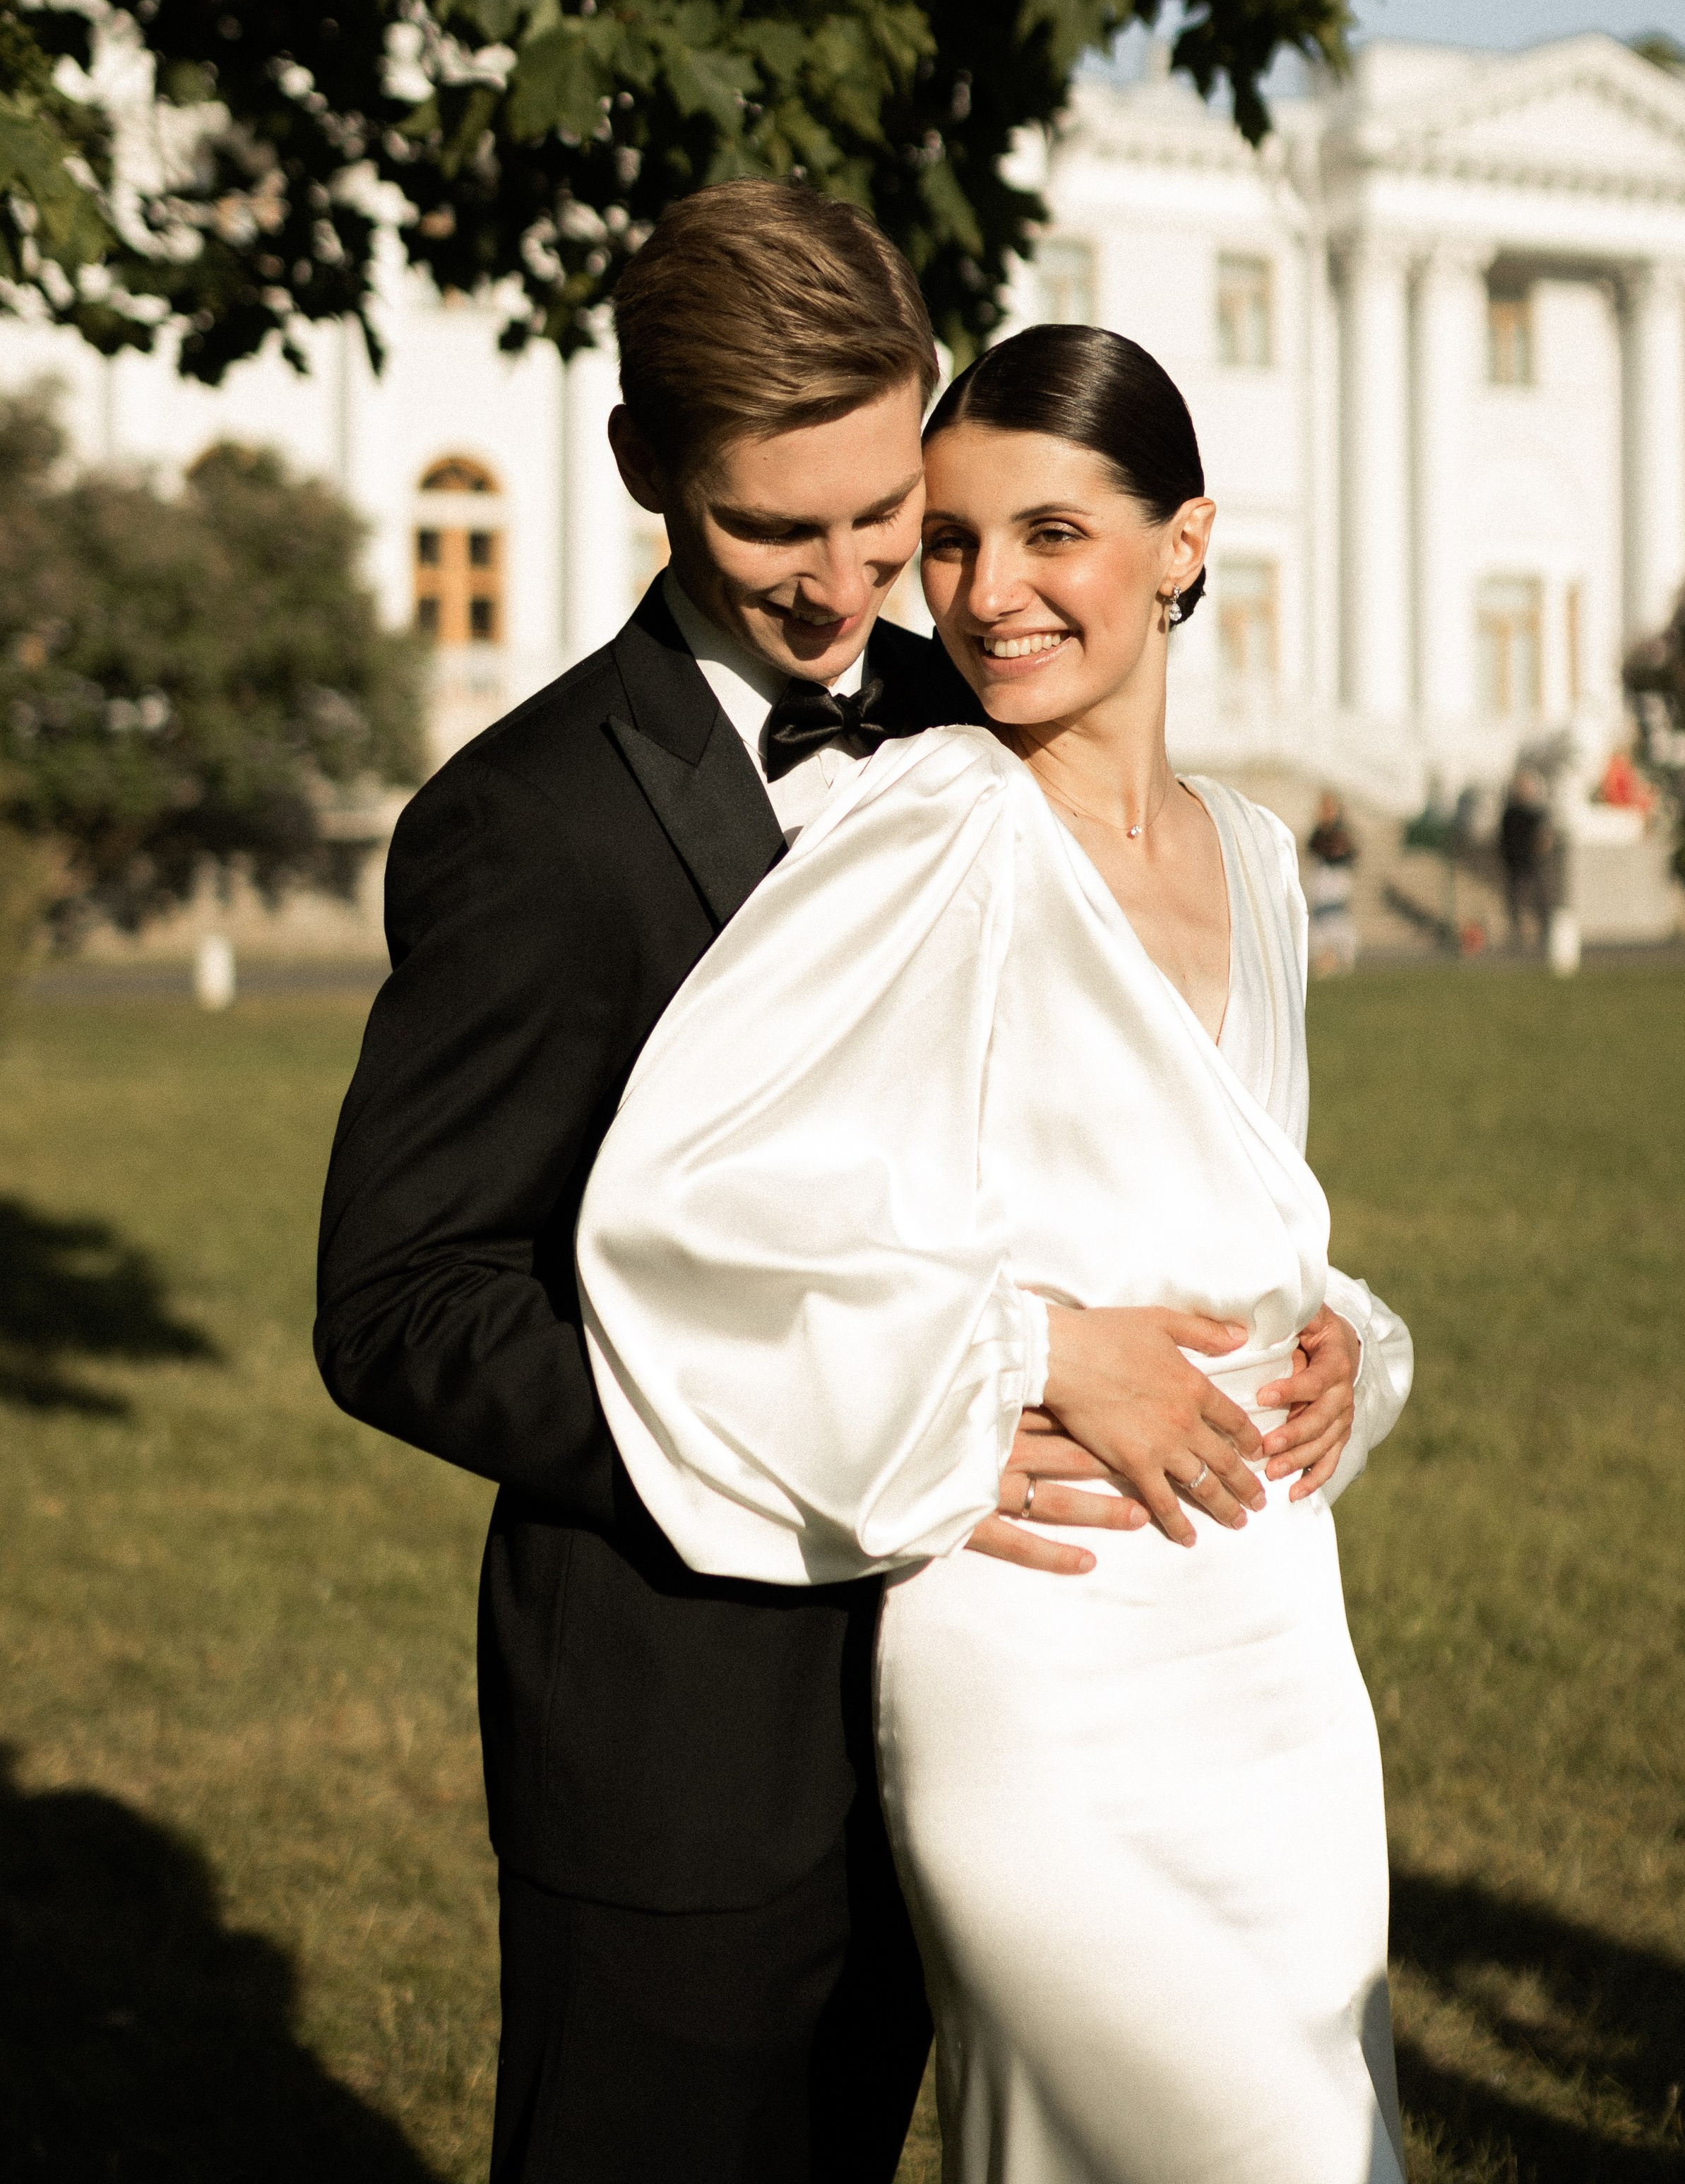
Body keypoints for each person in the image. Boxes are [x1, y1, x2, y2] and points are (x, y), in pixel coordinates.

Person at [316, 195, 1350, 2184]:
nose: (848, 584)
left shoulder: (982, 729)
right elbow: (403, 1304)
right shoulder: (525, 830)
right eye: (771, 531)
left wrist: (1305, 1345)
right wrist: (870, 1419)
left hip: (1019, 1696)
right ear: (643, 475)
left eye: (888, 516)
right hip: (690, 1737)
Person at [576, 325, 1415, 2184]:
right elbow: (682, 1208)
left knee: (1320, 2133)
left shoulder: (1262, 858)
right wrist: (1018, 1349)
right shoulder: (927, 830)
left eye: (1053, 532)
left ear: (1185, 541)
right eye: (950, 542)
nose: (986, 590)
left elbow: (1220, 1200)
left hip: (1275, 1641)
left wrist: (1337, 1339)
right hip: (1042, 1647)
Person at [1499, 763, 1554, 950]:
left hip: (1531, 862)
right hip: (1514, 862)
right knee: (1515, 899)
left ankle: (1547, 928)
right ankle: (1518, 932)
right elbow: (1503, 839)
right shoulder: (1510, 814)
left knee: (1540, 896)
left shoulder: (1534, 813)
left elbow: (1544, 838)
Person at [1306, 788, 1361, 975]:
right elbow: (1312, 848)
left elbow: (1348, 853)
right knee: (1321, 918)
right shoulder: (1319, 832)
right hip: (1322, 875)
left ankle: (1341, 953)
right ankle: (1325, 956)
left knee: (1335, 915)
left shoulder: (1342, 831)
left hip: (1337, 876)